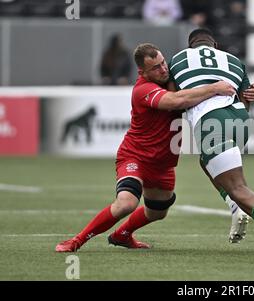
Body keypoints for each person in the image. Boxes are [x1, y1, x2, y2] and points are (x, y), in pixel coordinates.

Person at [55, 43, 241, 252]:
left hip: (163, 164)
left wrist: (246, 94)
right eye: (155, 68)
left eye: (163, 63)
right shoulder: (143, 90)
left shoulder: (172, 77)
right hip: (136, 157)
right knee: (126, 203)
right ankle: (76, 241)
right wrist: (215, 87)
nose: (163, 69)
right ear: (142, 72)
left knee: (158, 212)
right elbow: (175, 101)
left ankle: (122, 235)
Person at [168, 28, 254, 255]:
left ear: (191, 45)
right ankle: (235, 208)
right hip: (241, 120)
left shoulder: (178, 59)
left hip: (211, 121)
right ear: (214, 45)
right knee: (206, 163)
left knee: (237, 186)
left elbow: (172, 99)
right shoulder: (234, 60)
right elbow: (246, 101)